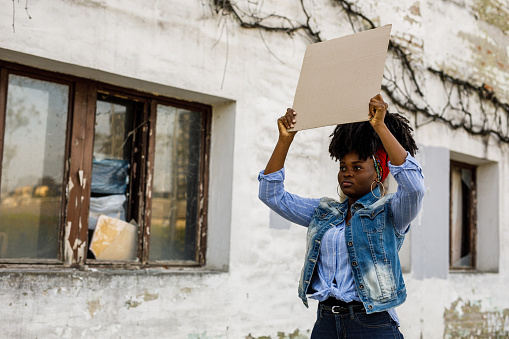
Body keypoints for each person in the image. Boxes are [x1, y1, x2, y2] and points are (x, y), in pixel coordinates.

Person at [258, 94, 425, 338]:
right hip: (326, 322)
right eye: (343, 167)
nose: (347, 174)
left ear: (378, 173)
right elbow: (271, 194)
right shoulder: (324, 212)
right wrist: (285, 139)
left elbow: (414, 187)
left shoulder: (391, 213)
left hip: (372, 325)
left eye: (357, 167)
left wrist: (379, 126)